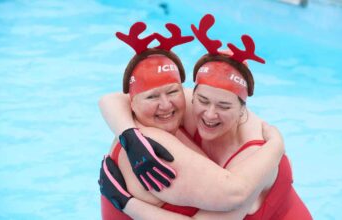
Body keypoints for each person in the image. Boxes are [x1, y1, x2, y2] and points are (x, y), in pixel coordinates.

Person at [99, 15, 290, 219]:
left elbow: (237, 193)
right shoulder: (149, 144)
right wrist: (129, 135)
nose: (165, 105)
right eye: (152, 96)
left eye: (172, 92)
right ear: (132, 102)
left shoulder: (256, 149)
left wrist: (127, 203)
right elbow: (109, 99)